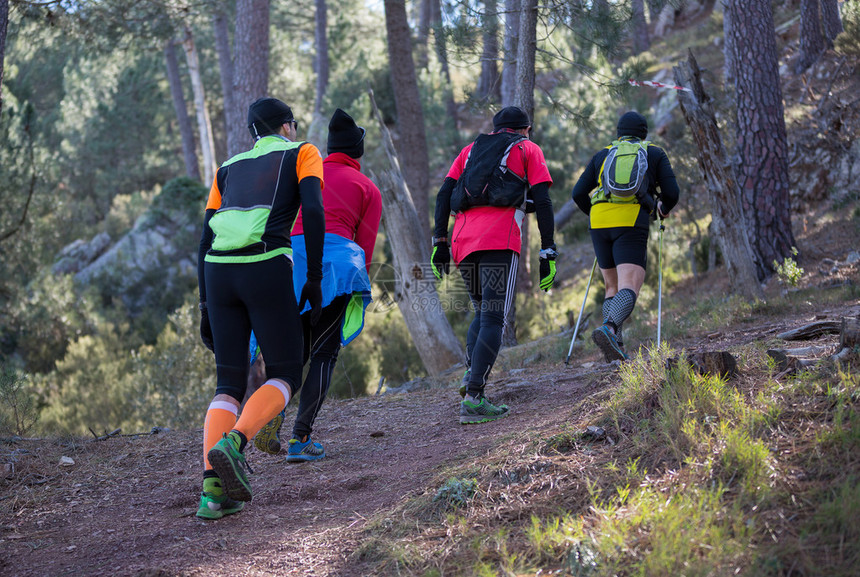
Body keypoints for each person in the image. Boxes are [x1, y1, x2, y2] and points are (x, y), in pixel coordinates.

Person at [195, 97, 325, 519]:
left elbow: (204, 239)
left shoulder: (227, 168)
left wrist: (203, 304)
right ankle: (234, 444)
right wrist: (316, 277)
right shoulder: (302, 151)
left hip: (218, 272)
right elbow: (315, 210)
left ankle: (213, 495)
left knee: (227, 384)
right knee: (287, 371)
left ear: (253, 132)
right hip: (265, 264)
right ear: (287, 126)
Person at [253, 108, 382, 461]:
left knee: (293, 355)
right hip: (335, 267)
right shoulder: (367, 187)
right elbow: (363, 250)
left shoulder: (306, 169)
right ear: (357, 150)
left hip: (288, 262)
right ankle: (301, 439)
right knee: (324, 353)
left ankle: (270, 415)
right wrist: (355, 286)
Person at [432, 106, 557, 424]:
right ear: (525, 129)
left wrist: (440, 244)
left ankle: (470, 378)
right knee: (494, 318)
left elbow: (444, 194)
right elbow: (542, 200)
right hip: (499, 241)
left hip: (462, 241)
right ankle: (474, 398)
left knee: (482, 311)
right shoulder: (528, 148)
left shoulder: (470, 149)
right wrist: (548, 250)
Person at [571, 110, 679, 362]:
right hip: (630, 221)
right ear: (644, 132)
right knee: (630, 284)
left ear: (618, 132)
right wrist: (662, 208)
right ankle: (609, 329)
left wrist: (595, 215)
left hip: (598, 221)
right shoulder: (653, 152)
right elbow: (672, 192)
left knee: (612, 287)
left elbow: (578, 193)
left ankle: (615, 348)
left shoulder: (603, 154)